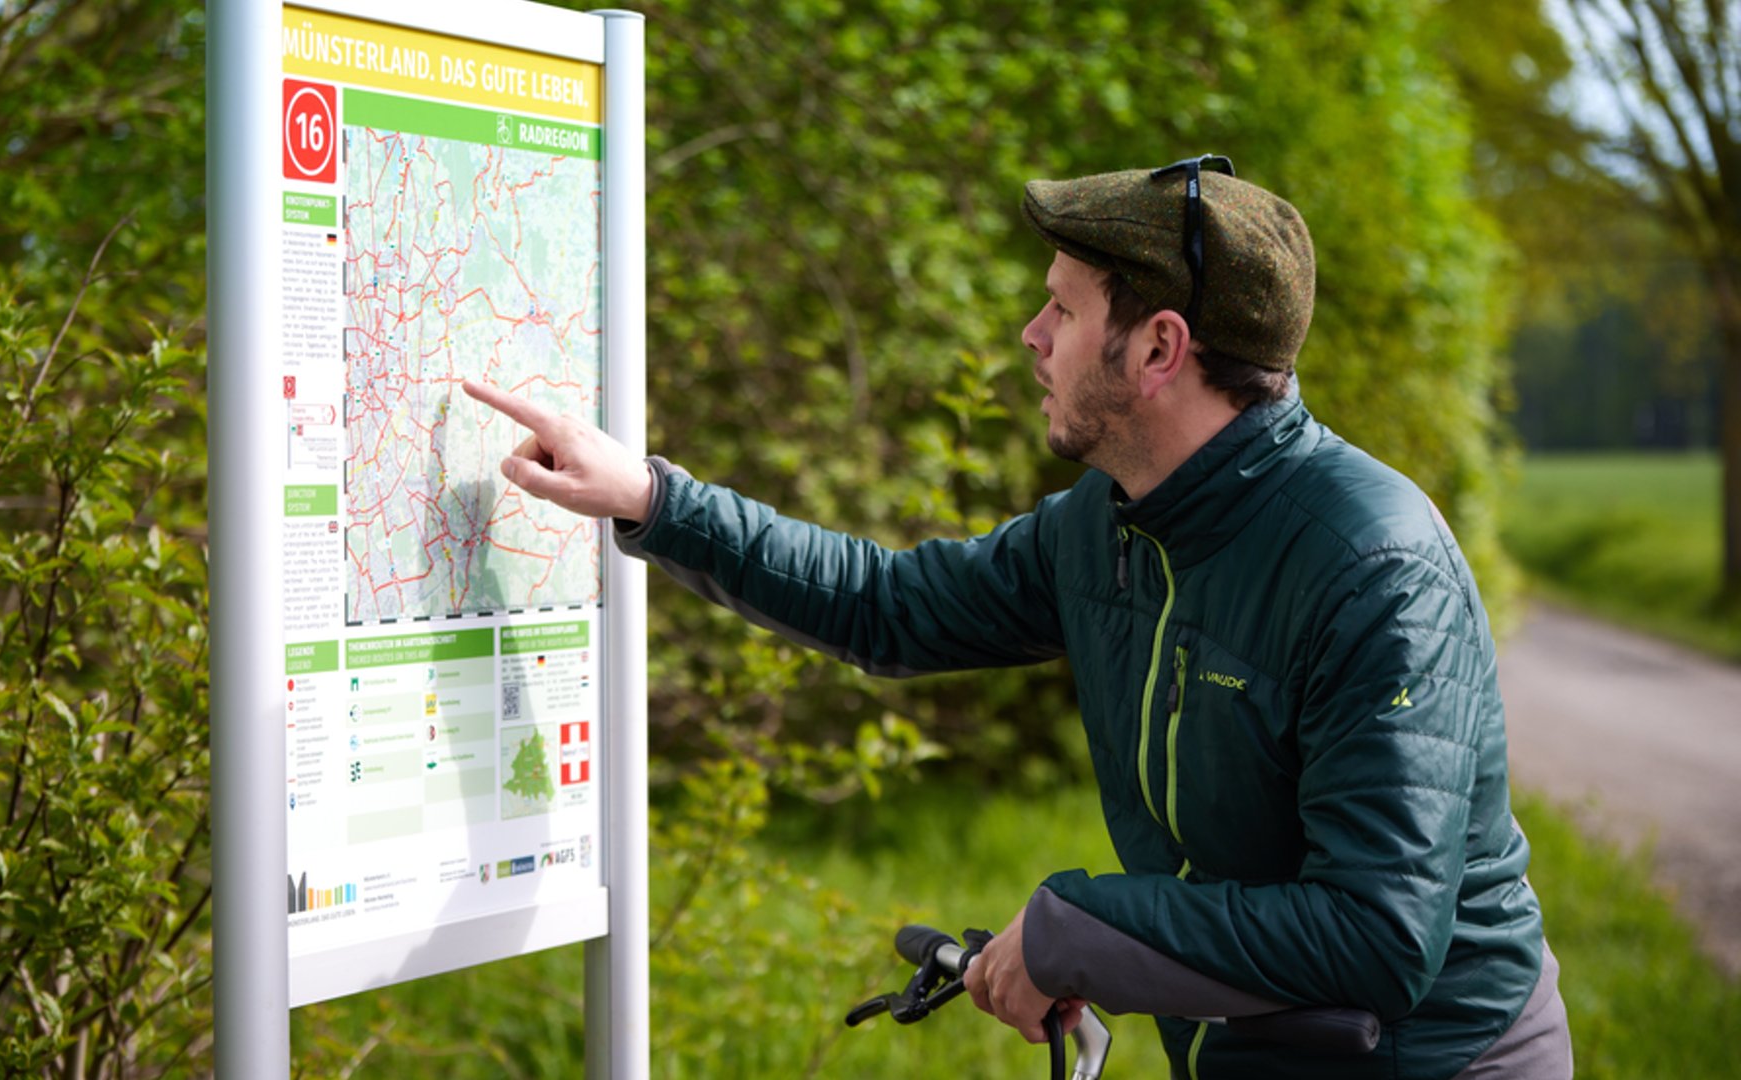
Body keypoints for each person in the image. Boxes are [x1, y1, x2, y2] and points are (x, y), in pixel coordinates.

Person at [461, 156, 1573, 1079]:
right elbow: (888, 607)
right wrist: (655, 500)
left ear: (1160, 350)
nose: (1031, 336)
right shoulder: (1112, 524)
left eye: (1064, 308)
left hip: (1445, 1062)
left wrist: (1078, 931)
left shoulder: (1371, 564)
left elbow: (1378, 938)